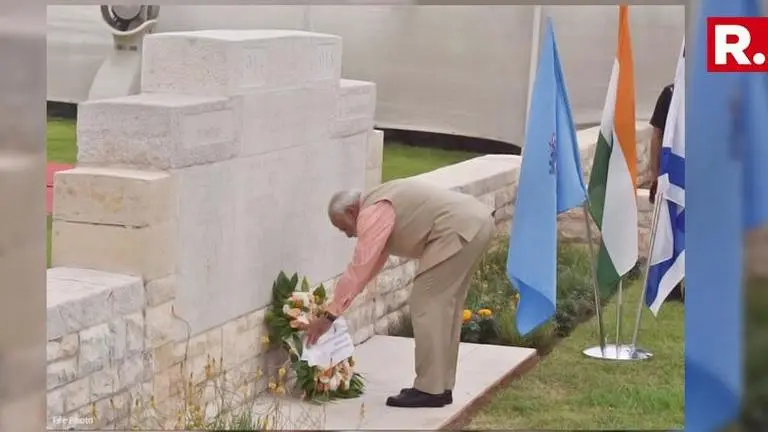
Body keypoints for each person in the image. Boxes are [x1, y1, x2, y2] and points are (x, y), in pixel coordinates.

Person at [305, 178, 495, 408]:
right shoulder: (382, 204)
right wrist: (337, 308)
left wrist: (329, 315)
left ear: (352, 210)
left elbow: (360, 266)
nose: (347, 235)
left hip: (457, 229)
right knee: (446, 307)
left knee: (427, 303)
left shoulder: (372, 212)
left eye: (344, 227)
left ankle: (429, 390)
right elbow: (369, 267)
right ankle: (441, 386)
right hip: (477, 223)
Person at [649, 83, 685, 303]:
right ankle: (670, 286)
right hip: (673, 173)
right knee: (671, 228)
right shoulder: (671, 93)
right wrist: (655, 175)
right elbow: (657, 134)